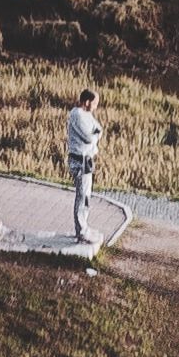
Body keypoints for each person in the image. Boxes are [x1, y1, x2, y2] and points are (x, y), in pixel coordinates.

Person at [64, 89, 104, 245]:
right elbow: (89, 137)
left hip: (86, 159)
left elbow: (98, 129)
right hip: (79, 160)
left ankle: (84, 226)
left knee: (86, 195)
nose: (95, 107)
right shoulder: (77, 115)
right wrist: (94, 137)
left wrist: (94, 136)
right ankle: (81, 230)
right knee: (82, 196)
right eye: (94, 103)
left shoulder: (86, 115)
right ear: (87, 102)